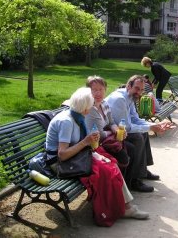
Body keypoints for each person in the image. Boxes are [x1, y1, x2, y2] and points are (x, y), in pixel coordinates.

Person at [45, 87, 149, 225]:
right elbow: (62, 155)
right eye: (91, 104)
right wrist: (86, 142)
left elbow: (78, 144)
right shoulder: (67, 122)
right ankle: (117, 209)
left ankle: (126, 206)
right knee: (104, 171)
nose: (92, 107)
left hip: (75, 156)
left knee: (110, 163)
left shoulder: (76, 115)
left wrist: (92, 144)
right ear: (85, 107)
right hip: (59, 164)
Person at [106, 75, 173, 193]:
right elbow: (127, 127)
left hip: (120, 129)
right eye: (137, 88)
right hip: (109, 133)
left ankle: (142, 170)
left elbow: (135, 119)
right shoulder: (119, 99)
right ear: (128, 86)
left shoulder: (130, 97)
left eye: (142, 90)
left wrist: (156, 124)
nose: (140, 92)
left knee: (144, 133)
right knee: (138, 137)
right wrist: (150, 127)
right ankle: (133, 180)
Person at [85, 75, 135, 189]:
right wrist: (112, 133)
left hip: (106, 140)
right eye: (94, 90)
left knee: (132, 147)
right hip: (95, 145)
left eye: (101, 89)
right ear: (88, 92)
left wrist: (117, 131)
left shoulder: (104, 104)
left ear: (105, 90)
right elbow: (100, 135)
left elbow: (111, 122)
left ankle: (128, 183)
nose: (98, 93)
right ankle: (119, 187)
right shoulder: (90, 109)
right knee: (124, 154)